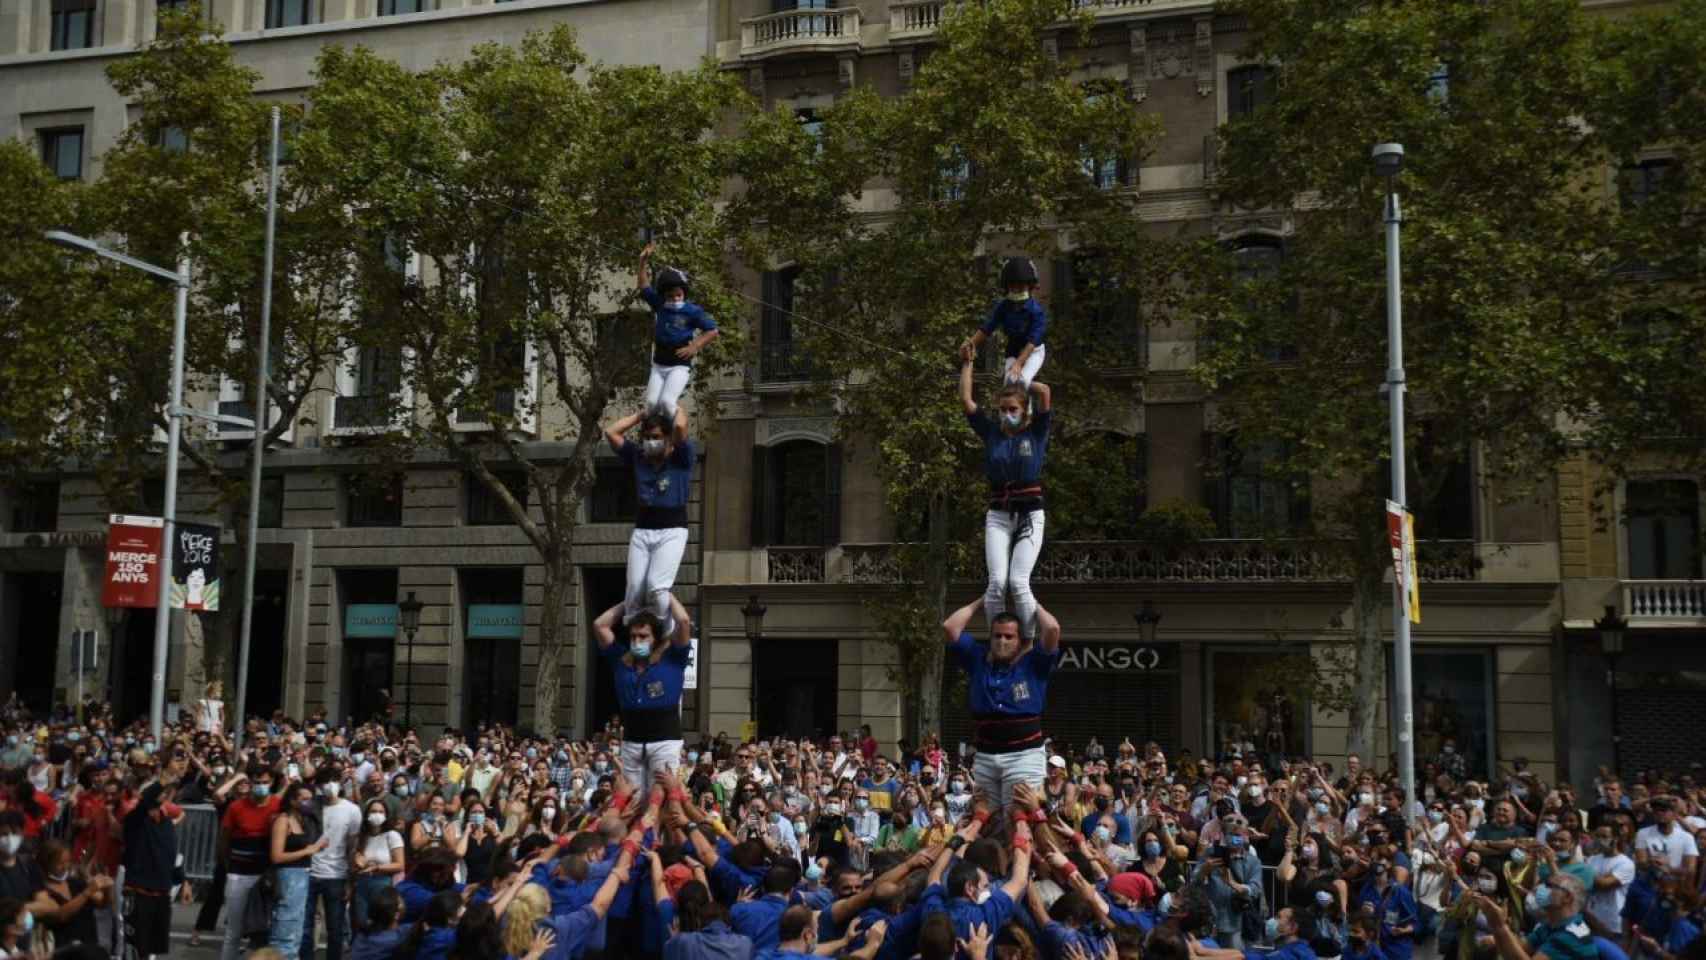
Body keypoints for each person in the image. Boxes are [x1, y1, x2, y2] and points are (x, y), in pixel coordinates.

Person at [940, 598, 1063, 813]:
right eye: (997, 636)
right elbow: (950, 627)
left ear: (1020, 640)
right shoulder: (977, 659)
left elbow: (1052, 628)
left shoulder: (1034, 664)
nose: (1002, 641)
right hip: (986, 757)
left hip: (1023, 756)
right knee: (986, 819)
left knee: (1020, 819)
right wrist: (984, 598)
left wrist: (1029, 600)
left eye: (1009, 636)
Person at [959, 357, 1052, 641]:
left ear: (1024, 411)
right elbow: (966, 399)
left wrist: (1021, 382)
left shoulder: (1036, 432)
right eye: (1002, 410)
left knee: (1017, 582)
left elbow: (1045, 391)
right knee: (997, 583)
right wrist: (967, 364)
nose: (1006, 414)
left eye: (1012, 409)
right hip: (999, 514)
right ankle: (996, 640)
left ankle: (1026, 642)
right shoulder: (992, 433)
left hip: (1030, 514)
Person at [605, 405, 695, 640]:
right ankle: (634, 632)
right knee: (634, 588)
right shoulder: (638, 456)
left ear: (667, 439)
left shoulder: (681, 457)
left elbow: (681, 425)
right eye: (646, 437)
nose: (649, 442)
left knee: (656, 586)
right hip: (643, 528)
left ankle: (664, 631)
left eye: (655, 437)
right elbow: (611, 432)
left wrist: (671, 406)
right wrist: (640, 416)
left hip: (672, 529)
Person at [592, 594, 694, 795]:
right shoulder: (620, 660)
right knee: (633, 799)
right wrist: (630, 602)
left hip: (664, 742)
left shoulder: (672, 659)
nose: (636, 641)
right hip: (632, 743)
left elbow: (682, 622)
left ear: (655, 639)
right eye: (633, 636)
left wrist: (664, 595)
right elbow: (599, 625)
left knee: (661, 798)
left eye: (643, 636)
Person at [635, 242, 719, 418]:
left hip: (679, 365)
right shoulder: (660, 305)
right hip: (659, 364)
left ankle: (679, 429)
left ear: (684, 294)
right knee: (651, 405)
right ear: (664, 295)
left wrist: (694, 346)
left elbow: (712, 331)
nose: (674, 299)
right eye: (670, 296)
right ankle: (657, 435)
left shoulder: (692, 311)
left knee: (666, 402)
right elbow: (643, 286)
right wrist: (642, 261)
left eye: (678, 295)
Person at [960, 256, 1048, 390]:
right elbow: (988, 327)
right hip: (1013, 350)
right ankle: (1020, 406)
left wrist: (1019, 363)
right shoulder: (1003, 306)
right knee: (1009, 383)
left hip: (1033, 351)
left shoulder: (1036, 311)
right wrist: (970, 344)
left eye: (1021, 286)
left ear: (1030, 286)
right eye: (1013, 286)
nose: (1016, 289)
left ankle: (1033, 401)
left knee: (1022, 380)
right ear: (1007, 287)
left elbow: (1033, 340)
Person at [304, 771, 362, 960]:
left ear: (340, 783)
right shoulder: (311, 806)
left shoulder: (352, 810)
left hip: (337, 875)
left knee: (335, 929)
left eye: (334, 780)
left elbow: (352, 847)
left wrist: (350, 880)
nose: (330, 785)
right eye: (325, 781)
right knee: (305, 927)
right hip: (309, 872)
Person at [1477, 871, 1596, 960]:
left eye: (1549, 886)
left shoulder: (1571, 935)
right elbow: (1521, 948)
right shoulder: (1550, 925)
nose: (1540, 889)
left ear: (1567, 897)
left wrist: (1499, 926)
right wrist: (1497, 936)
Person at [270, 782, 328, 960]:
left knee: (296, 929)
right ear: (293, 800)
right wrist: (307, 850)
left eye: (311, 799)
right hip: (288, 877)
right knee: (285, 929)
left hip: (302, 875)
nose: (309, 803)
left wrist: (315, 848)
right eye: (304, 799)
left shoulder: (304, 820)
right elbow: (276, 856)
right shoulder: (283, 820)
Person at [352, 797, 405, 932]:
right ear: (367, 815)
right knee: (362, 923)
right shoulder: (362, 837)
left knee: (381, 924)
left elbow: (400, 864)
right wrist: (358, 862)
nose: (377, 814)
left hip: (383, 883)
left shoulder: (392, 835)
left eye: (381, 812)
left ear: (386, 816)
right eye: (374, 811)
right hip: (363, 884)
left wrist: (377, 867)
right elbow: (357, 864)